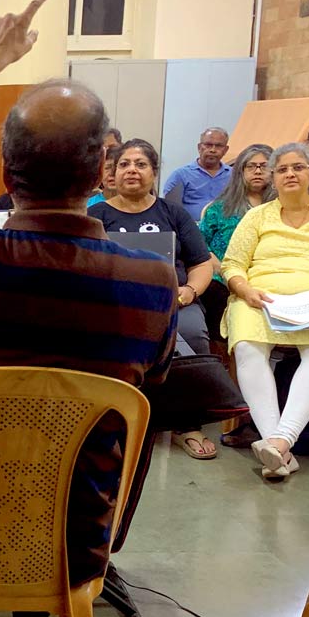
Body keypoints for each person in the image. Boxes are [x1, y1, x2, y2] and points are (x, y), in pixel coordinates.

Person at [0, 0, 178, 617]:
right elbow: (148, 399)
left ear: (4, 168)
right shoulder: (154, 283)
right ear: (102, 168)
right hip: (74, 547)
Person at [222, 142, 309, 481]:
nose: (290, 174)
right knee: (247, 344)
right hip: (261, 299)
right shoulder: (257, 216)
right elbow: (233, 264)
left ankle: (280, 441)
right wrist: (246, 290)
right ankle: (279, 447)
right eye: (282, 169)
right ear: (273, 177)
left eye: (298, 167)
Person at [89, 140, 217, 460]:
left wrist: (189, 292)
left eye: (141, 164)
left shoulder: (173, 213)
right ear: (112, 174)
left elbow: (201, 263)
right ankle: (111, 418)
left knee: (193, 334)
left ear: (154, 173)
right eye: (124, 164)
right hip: (113, 305)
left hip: (174, 301)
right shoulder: (96, 215)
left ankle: (188, 424)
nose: (132, 170)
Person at [199, 144, 273, 342]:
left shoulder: (282, 209)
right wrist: (215, 263)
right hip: (223, 277)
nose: (257, 171)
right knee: (214, 292)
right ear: (240, 172)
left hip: (267, 276)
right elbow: (198, 243)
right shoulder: (219, 208)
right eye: (251, 166)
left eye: (263, 166)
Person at [161, 127, 232, 221]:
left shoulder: (234, 176)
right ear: (199, 147)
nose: (213, 150)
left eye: (218, 146)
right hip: (190, 230)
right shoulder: (180, 175)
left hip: (226, 230)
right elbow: (170, 210)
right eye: (208, 145)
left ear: (226, 150)